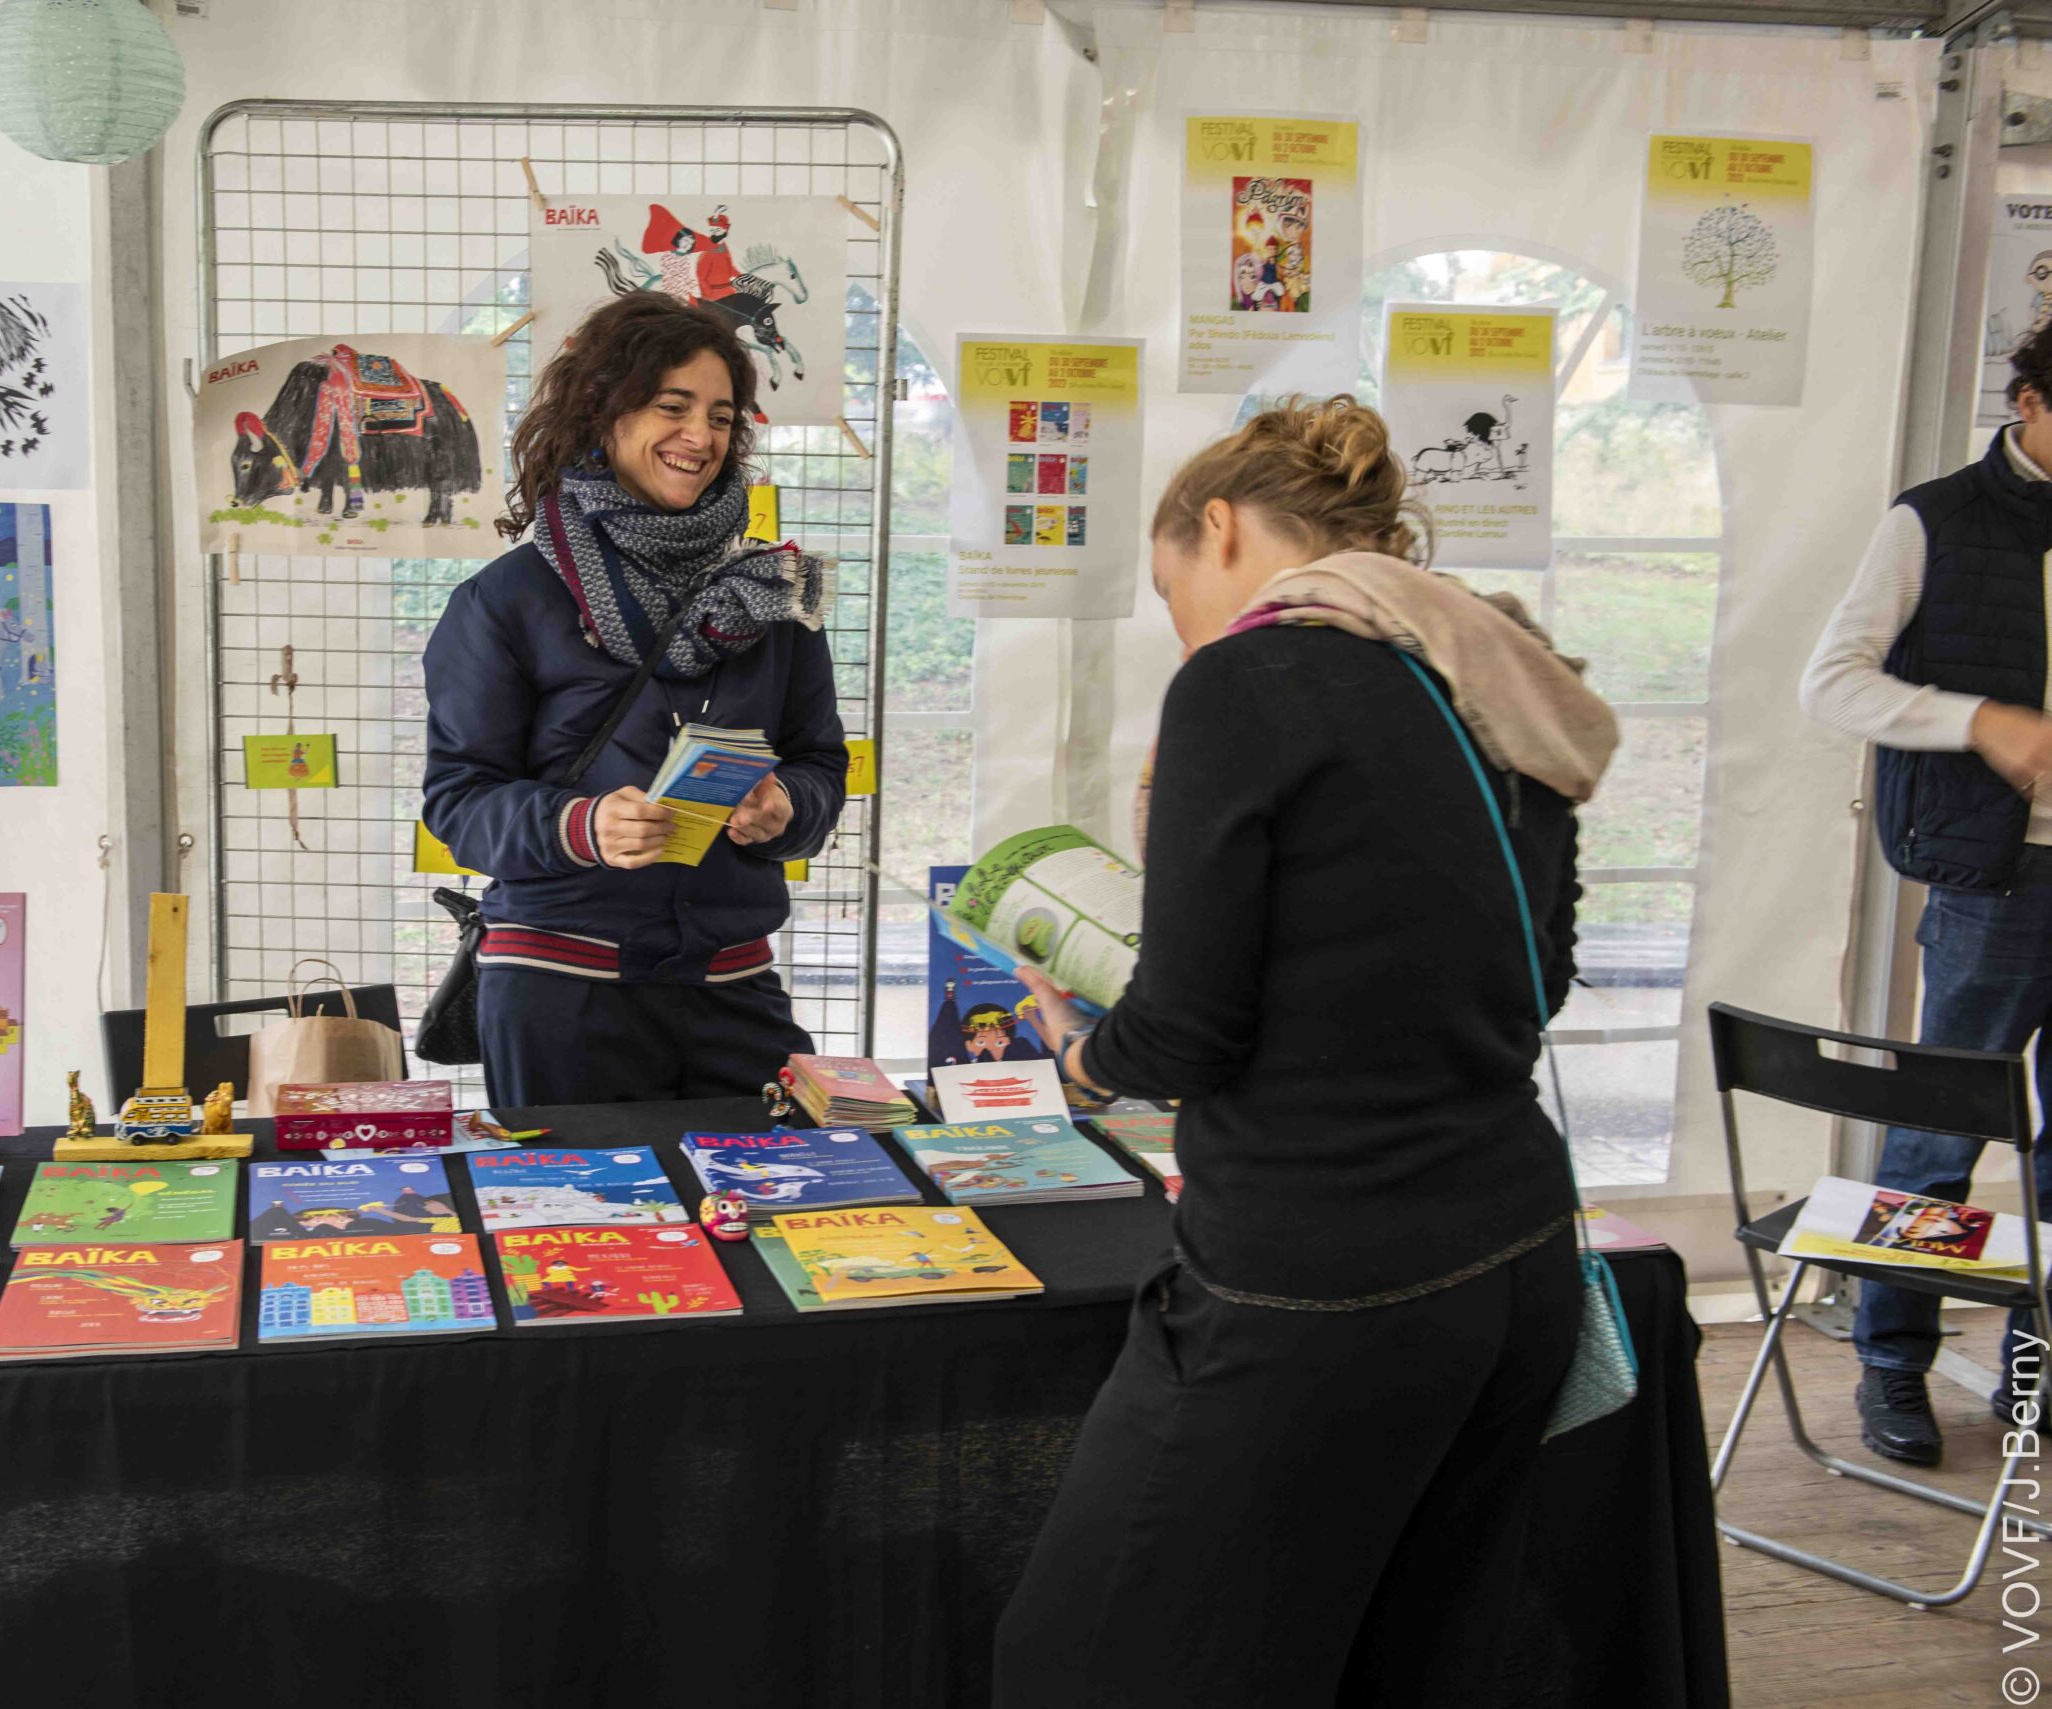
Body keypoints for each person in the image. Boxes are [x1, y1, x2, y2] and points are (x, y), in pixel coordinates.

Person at [991, 397, 1618, 1708]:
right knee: (1410, 1655)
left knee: (1084, 1656)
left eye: (1176, 595)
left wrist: (1085, 1053)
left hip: (1321, 1274)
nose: (1187, 631)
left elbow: (1192, 1029)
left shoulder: (1251, 675)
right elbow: (1533, 981)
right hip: (1517, 1257)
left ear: (1217, 529)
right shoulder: (1497, 665)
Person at [421, 293, 846, 1106]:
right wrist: (582, 826)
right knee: (577, 1231)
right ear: (601, 411)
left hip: (734, 984)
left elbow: (821, 761)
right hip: (558, 988)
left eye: (721, 416)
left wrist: (787, 806)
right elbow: (459, 801)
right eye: (671, 406)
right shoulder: (502, 602)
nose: (702, 437)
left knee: (773, 1211)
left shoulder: (775, 591)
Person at [1798, 318, 2052, 1469]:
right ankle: (1891, 1362)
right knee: (1940, 1128)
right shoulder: (1934, 517)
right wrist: (1976, 721)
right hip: (1991, 879)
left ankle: (2028, 1371)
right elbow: (1832, 683)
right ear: (2030, 400)